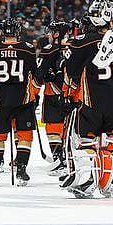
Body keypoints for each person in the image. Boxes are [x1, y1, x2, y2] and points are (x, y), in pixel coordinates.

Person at [62, 0, 113, 197]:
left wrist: (68, 94)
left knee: (85, 139)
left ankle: (86, 181)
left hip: (92, 100)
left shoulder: (83, 40)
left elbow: (72, 73)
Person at [0, 18, 40, 186]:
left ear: (1, 32)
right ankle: (21, 168)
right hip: (24, 99)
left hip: (2, 99)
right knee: (25, 135)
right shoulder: (28, 49)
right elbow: (34, 71)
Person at [38, 21, 72, 175]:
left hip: (53, 93)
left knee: (53, 128)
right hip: (71, 94)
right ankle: (66, 160)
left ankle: (59, 160)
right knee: (66, 129)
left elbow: (39, 74)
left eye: (51, 32)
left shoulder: (48, 49)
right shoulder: (74, 46)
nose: (48, 34)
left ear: (57, 34)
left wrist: (32, 95)